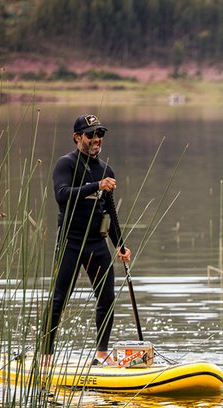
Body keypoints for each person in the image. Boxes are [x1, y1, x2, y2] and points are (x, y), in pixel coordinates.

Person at [42, 114, 131, 367]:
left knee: (106, 298)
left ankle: (101, 354)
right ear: (77, 137)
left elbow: (110, 213)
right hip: (70, 241)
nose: (96, 139)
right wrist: (96, 185)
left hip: (96, 244)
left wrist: (120, 246)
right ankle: (46, 357)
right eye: (91, 134)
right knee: (59, 298)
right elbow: (62, 196)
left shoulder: (106, 170)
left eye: (100, 134)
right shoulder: (65, 164)